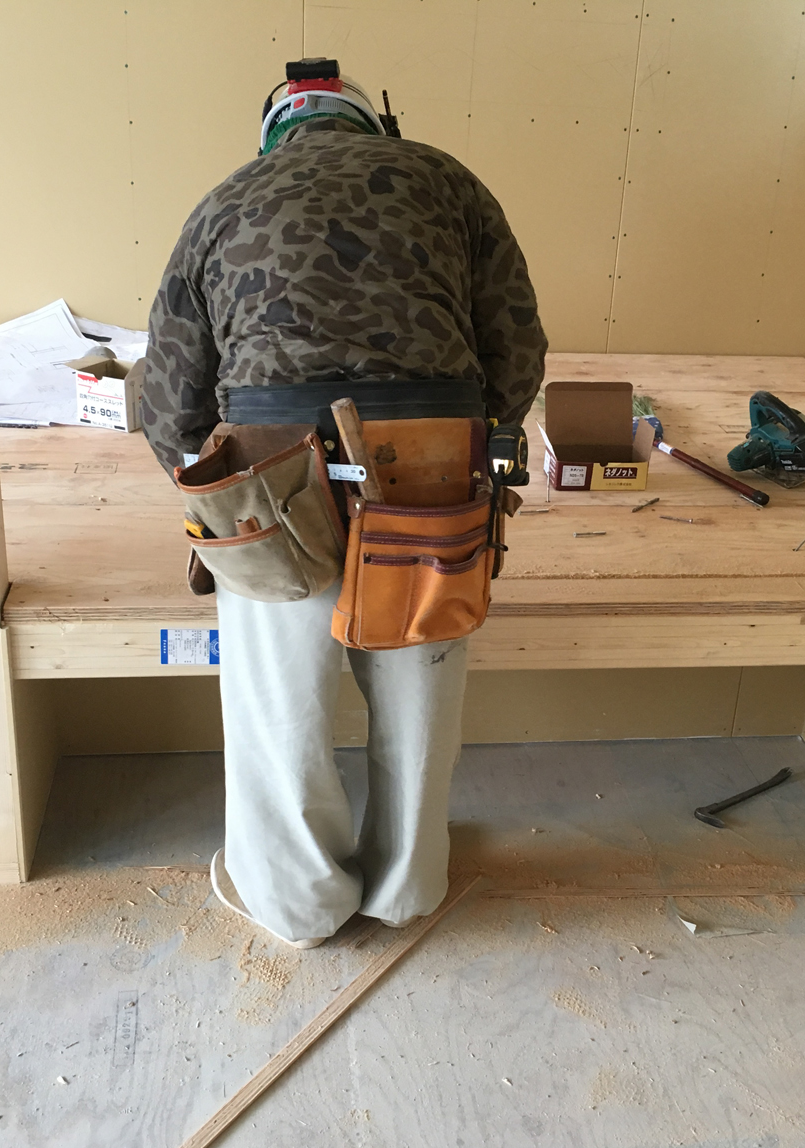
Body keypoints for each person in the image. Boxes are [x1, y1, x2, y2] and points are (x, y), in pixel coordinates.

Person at [139, 59, 547, 949]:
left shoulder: (224, 202)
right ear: (371, 123)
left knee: (280, 707)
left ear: (273, 135)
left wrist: (201, 476)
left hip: (271, 477)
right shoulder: (447, 182)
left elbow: (167, 398)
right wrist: (477, 438)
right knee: (418, 693)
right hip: (432, 472)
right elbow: (517, 348)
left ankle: (298, 905)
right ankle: (407, 888)